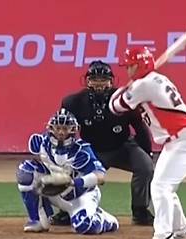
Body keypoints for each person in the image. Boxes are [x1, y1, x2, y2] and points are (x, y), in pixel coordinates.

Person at [109, 47, 186, 239]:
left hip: (184, 142)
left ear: (140, 65)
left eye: (131, 66)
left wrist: (125, 89)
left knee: (161, 187)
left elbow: (115, 107)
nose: (128, 70)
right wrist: (128, 88)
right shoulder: (154, 80)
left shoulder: (144, 85)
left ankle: (163, 238)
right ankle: (183, 231)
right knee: (163, 186)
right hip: (178, 141)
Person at [57, 60, 155, 226]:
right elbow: (64, 130)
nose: (99, 84)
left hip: (123, 146)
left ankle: (140, 211)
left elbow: (140, 127)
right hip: (91, 150)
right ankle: (68, 211)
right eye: (95, 79)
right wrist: (65, 155)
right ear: (87, 81)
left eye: (103, 80)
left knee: (145, 167)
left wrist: (147, 152)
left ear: (111, 81)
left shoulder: (124, 100)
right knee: (71, 170)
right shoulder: (73, 102)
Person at [16, 108, 119, 235]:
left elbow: (100, 176)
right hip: (55, 192)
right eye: (58, 128)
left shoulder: (81, 150)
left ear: (73, 129)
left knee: (85, 226)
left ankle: (106, 219)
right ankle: (36, 219)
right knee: (26, 170)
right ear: (51, 128)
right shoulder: (42, 142)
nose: (61, 132)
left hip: (81, 195)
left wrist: (74, 182)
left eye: (65, 128)